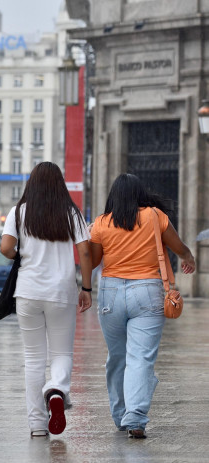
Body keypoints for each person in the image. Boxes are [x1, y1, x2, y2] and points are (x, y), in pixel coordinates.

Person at [89, 173, 195, 439]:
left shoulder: (101, 224)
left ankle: (119, 414)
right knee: (141, 357)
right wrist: (187, 256)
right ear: (140, 193)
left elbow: (91, 262)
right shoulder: (154, 216)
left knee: (117, 357)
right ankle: (135, 418)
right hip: (147, 291)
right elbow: (177, 245)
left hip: (111, 292)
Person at [0, 161, 93, 437]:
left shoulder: (18, 212)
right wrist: (86, 289)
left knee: (33, 358)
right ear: (59, 185)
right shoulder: (71, 213)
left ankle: (37, 425)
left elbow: (6, 247)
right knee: (61, 352)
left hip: (28, 292)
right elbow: (85, 252)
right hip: (61, 292)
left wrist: (23, 256)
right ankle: (57, 389)